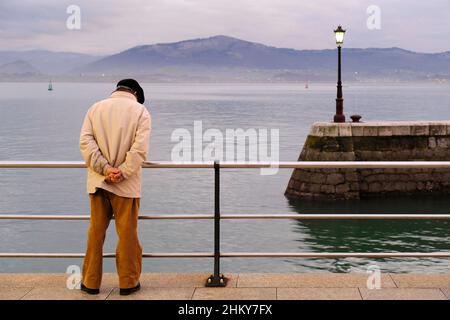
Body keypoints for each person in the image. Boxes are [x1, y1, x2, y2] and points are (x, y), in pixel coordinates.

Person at [78, 79, 151, 296]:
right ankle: (128, 283)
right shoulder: (140, 111)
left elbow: (86, 142)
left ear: (117, 89)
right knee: (127, 234)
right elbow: (140, 149)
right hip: (126, 186)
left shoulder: (95, 108)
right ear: (135, 93)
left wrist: (105, 168)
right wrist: (123, 171)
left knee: (96, 233)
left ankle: (90, 283)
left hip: (99, 181)